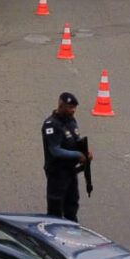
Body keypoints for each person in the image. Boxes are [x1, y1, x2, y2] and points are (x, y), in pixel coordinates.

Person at [41, 92, 92, 221]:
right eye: (70, 107)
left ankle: (73, 232)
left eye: (74, 107)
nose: (73, 110)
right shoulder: (51, 125)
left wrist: (86, 153)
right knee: (55, 210)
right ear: (61, 105)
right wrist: (77, 155)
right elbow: (55, 150)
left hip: (70, 171)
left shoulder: (71, 120)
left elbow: (76, 140)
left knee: (72, 205)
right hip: (57, 173)